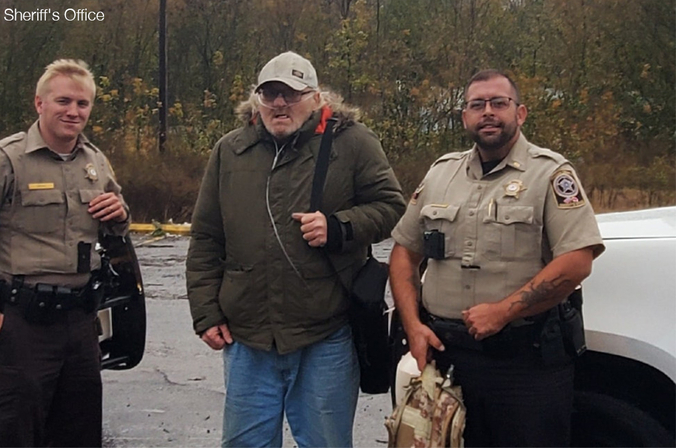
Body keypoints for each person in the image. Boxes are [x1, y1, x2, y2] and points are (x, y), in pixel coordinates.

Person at [186, 51, 406, 447]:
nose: (280, 104)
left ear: (317, 97)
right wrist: (205, 313)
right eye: (270, 94)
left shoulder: (352, 143)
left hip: (325, 335)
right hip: (247, 339)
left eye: (291, 94)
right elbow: (205, 237)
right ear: (258, 99)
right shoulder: (230, 151)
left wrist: (339, 227)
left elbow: (392, 207)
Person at [389, 69, 605, 447]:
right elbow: (404, 253)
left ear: (519, 113)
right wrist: (412, 325)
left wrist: (503, 311)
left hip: (524, 368)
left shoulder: (550, 173)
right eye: (477, 105)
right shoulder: (441, 174)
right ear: (465, 118)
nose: (488, 112)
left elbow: (577, 260)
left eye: (499, 103)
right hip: (448, 359)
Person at [0, 59, 130, 447]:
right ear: (39, 104)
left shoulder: (94, 163)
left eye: (83, 104)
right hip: (21, 326)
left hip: (80, 326)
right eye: (63, 101)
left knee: (79, 435)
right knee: (16, 435)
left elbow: (114, 228)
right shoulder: (0, 162)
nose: (73, 111)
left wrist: (121, 215)